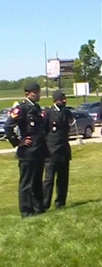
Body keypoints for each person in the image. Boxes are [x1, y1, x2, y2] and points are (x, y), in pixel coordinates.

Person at [3, 82, 49, 218]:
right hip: (27, 152)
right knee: (26, 184)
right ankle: (26, 211)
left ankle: (38, 207)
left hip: (39, 151)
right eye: (36, 92)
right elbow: (8, 126)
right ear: (28, 93)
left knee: (37, 181)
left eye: (38, 91)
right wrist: (18, 142)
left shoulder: (36, 107)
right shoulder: (21, 108)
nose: (38, 94)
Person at [42, 89, 73, 210]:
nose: (64, 101)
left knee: (63, 179)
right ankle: (45, 204)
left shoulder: (66, 112)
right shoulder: (48, 113)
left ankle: (60, 203)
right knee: (49, 179)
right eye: (61, 99)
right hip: (51, 151)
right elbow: (44, 131)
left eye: (65, 98)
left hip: (63, 150)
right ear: (55, 100)